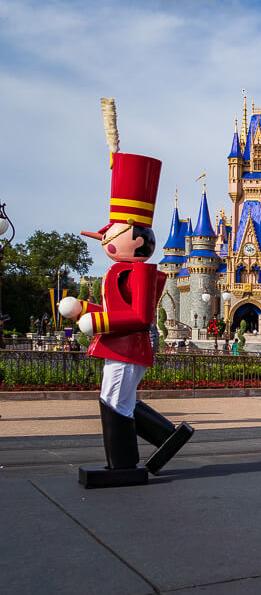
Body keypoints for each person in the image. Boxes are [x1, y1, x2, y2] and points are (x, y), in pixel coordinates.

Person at [58, 135, 193, 485]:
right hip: (118, 344)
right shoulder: (119, 271)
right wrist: (82, 309)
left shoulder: (142, 273)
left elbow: (140, 317)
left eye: (112, 235)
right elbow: (111, 307)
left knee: (113, 400)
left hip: (129, 348)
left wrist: (97, 321)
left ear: (137, 239)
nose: (105, 241)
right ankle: (165, 437)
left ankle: (124, 463)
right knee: (119, 400)